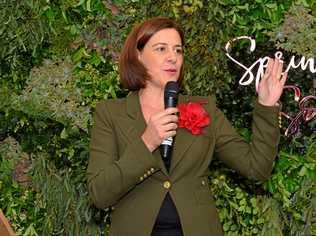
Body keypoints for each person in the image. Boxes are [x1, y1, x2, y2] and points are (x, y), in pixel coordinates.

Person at [87, 17, 287, 236]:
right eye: (161, 49)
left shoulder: (205, 109)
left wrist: (267, 106)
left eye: (178, 50)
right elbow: (100, 194)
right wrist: (147, 142)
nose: (172, 57)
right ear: (138, 55)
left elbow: (256, 168)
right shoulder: (110, 113)